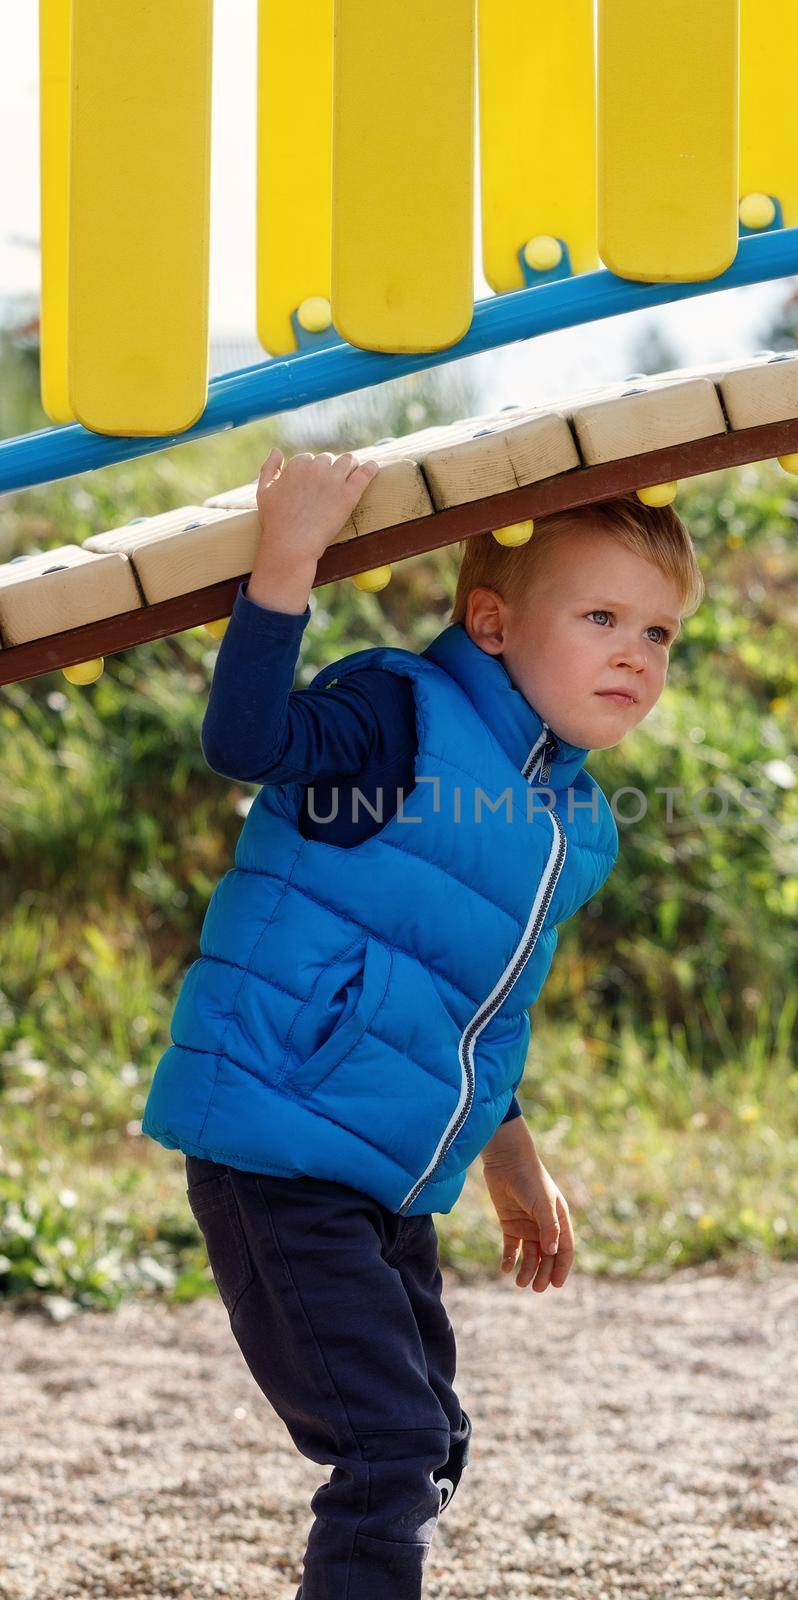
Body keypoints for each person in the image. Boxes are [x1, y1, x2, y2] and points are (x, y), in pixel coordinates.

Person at [141, 444, 704, 1598]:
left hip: (384, 1174)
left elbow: (480, 1010)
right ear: (491, 623)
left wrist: (508, 1150)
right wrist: (286, 559)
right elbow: (243, 744)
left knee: (429, 1437)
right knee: (389, 1444)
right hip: (277, 1149)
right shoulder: (397, 714)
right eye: (601, 615)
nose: (634, 656)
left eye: (658, 633)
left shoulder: (571, 824)